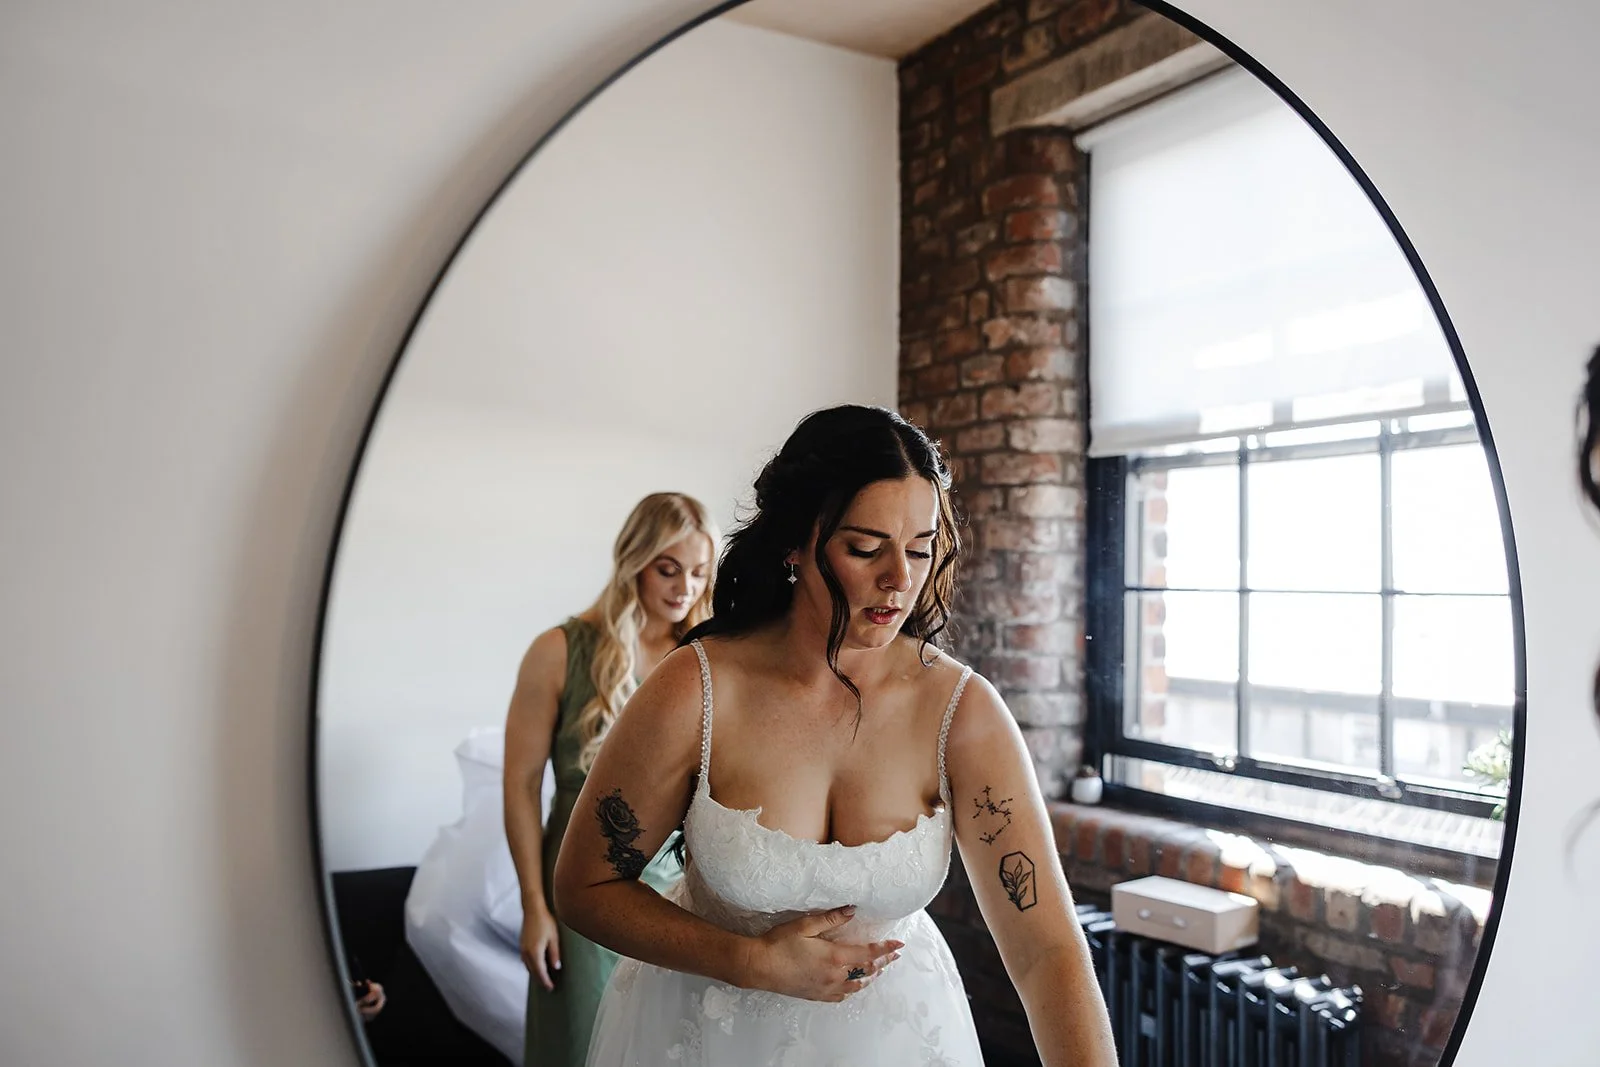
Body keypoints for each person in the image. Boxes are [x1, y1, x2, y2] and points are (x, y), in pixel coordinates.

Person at [554, 406, 1117, 1067]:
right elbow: (584, 884)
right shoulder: (699, 689)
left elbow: (1046, 948)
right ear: (794, 540)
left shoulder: (961, 713)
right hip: (707, 1034)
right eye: (865, 548)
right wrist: (748, 960)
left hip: (899, 1040)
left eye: (918, 547)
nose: (899, 580)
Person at [504, 492, 719, 1067]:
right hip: (582, 887)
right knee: (579, 1046)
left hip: (680, 893)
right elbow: (521, 785)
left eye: (700, 573)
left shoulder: (708, 658)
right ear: (633, 563)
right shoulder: (558, 651)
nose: (684, 589)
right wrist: (534, 906)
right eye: (667, 570)